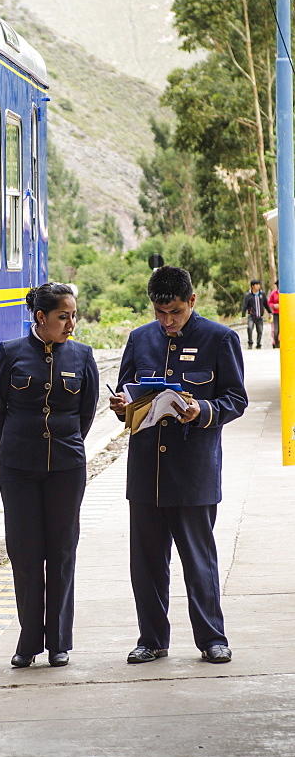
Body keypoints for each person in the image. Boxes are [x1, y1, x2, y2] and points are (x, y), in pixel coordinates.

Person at [109, 266, 247, 665]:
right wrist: (122, 407)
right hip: (147, 472)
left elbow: (235, 400)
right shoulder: (139, 339)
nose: (167, 322)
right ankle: (151, 639)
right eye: (160, 313)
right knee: (148, 564)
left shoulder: (220, 339)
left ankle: (212, 638)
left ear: (192, 302)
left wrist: (201, 409)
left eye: (175, 313)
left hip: (193, 472)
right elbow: (127, 396)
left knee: (198, 562)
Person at [0, 283, 99, 668]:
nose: (71, 324)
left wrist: (64, 445)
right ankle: (29, 641)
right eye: (63, 316)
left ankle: (59, 642)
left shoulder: (82, 356)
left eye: (73, 315)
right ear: (41, 317)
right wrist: (20, 443)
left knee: (62, 552)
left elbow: (86, 413)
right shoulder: (10, 354)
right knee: (26, 554)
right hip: (19, 469)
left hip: (66, 469)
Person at [241, 279, 271, 349]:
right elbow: (244, 306)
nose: (258, 286)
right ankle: (250, 343)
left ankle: (258, 344)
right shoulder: (248, 295)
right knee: (250, 328)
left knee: (260, 330)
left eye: (258, 284)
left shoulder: (262, 294)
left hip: (259, 316)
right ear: (252, 286)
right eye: (256, 285)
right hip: (251, 315)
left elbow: (266, 304)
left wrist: (270, 312)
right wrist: (243, 316)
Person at [268, 280, 279, 349]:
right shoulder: (274, 293)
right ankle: (276, 344)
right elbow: (269, 303)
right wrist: (274, 305)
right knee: (276, 330)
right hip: (276, 314)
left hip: (286, 314)